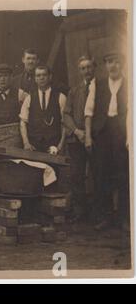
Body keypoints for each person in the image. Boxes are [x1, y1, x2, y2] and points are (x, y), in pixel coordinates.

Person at [85, 51, 129, 232]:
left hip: (120, 133)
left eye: (117, 62)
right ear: (105, 65)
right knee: (101, 175)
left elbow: (131, 114)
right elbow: (88, 112)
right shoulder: (97, 84)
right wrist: (88, 136)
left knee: (123, 176)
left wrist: (129, 138)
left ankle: (124, 218)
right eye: (110, 62)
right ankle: (104, 217)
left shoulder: (130, 84)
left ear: (122, 64)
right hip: (101, 133)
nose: (113, 66)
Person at [63, 55, 96, 223]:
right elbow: (66, 114)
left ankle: (99, 213)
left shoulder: (101, 89)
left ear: (94, 68)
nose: (86, 71)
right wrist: (77, 131)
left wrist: (90, 134)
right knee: (76, 175)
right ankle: (80, 212)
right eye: (83, 68)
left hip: (96, 139)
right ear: (80, 71)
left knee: (97, 174)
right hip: (76, 140)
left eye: (89, 67)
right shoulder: (74, 91)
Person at [19, 65, 67, 154]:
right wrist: (26, 143)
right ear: (35, 79)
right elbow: (23, 122)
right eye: (38, 75)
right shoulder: (29, 98)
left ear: (50, 77)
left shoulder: (61, 97)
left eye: (44, 75)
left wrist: (61, 145)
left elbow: (65, 123)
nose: (41, 78)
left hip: (54, 145)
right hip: (34, 146)